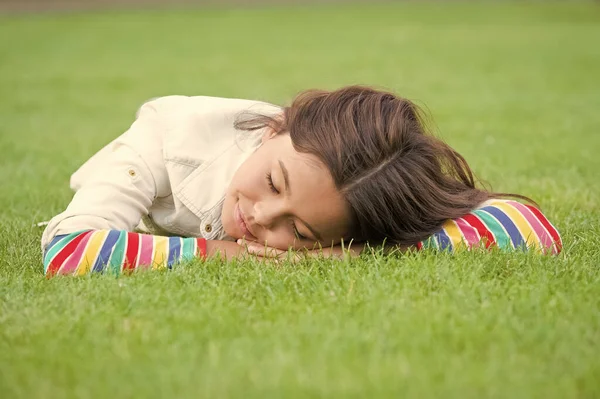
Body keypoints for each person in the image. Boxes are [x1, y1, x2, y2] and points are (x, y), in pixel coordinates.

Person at [41, 86, 562, 276]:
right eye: (273, 182)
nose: (260, 217)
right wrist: (244, 257)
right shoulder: (164, 138)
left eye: (302, 231)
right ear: (274, 129)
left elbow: (529, 230)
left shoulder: (359, 185)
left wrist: (353, 256)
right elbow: (69, 253)